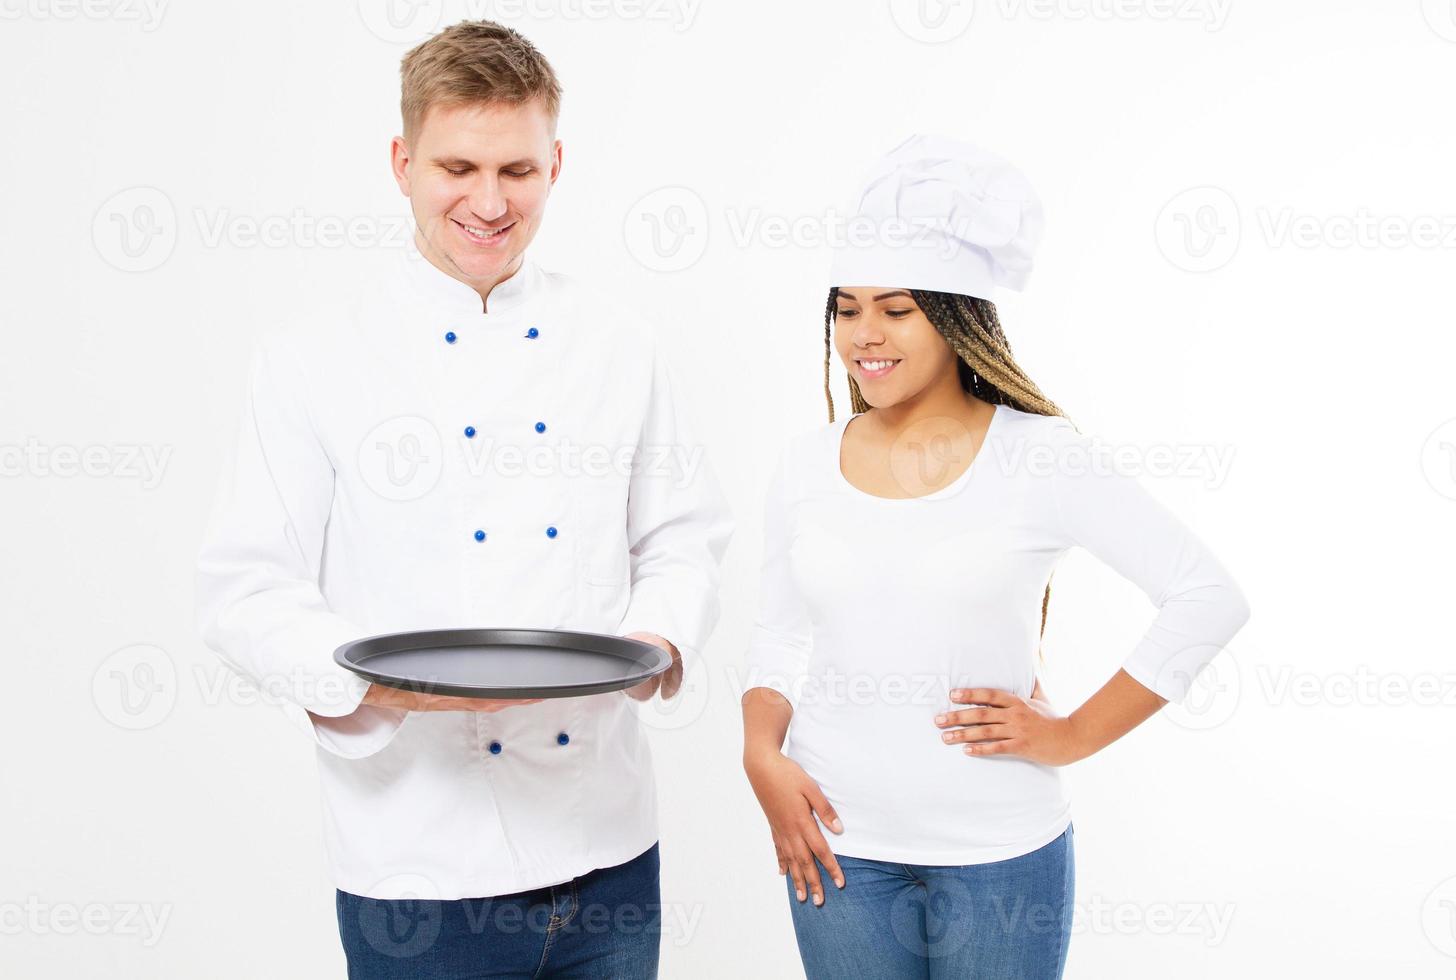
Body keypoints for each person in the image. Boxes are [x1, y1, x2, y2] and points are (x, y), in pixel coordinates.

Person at [194, 20, 732, 979]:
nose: (489, 202)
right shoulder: (312, 357)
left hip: (609, 850)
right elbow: (245, 589)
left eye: (518, 171)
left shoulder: (621, 344)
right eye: (457, 167)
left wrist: (655, 643)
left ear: (557, 163)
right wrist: (372, 681)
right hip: (418, 857)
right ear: (402, 162)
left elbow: (683, 537)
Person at [740, 134, 1251, 979]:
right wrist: (761, 752)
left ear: (956, 315)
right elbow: (779, 635)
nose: (864, 335)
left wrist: (1073, 734)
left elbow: (1208, 596)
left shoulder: (1041, 455)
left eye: (897, 309)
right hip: (836, 847)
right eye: (846, 307)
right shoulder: (802, 466)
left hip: (1000, 858)